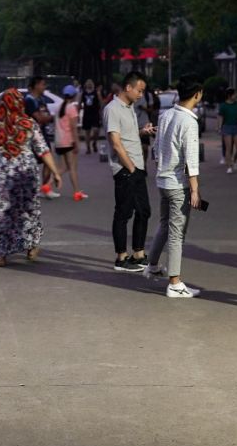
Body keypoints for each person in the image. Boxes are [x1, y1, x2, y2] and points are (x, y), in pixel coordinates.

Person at [0, 87, 63, 266]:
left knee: (0, 212)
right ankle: (31, 245)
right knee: (28, 209)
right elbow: (43, 150)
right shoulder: (29, 123)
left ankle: (1, 254)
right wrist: (55, 172)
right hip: (24, 173)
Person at [144, 74, 203, 298]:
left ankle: (152, 265)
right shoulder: (189, 121)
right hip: (178, 184)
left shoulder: (166, 114)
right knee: (177, 233)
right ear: (197, 94)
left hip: (163, 180)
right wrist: (195, 189)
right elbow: (191, 159)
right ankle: (175, 283)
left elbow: (157, 148)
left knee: (165, 224)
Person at [106, 70, 154, 272]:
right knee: (124, 213)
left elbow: (127, 135)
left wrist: (143, 131)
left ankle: (138, 254)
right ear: (128, 87)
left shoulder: (129, 107)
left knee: (144, 211)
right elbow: (116, 143)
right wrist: (132, 168)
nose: (141, 95)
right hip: (126, 169)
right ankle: (121, 257)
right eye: (139, 90)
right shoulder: (113, 109)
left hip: (137, 167)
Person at [24, 76, 58, 198]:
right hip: (32, 136)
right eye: (43, 84)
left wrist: (47, 117)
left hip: (42, 134)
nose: (44, 87)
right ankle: (32, 189)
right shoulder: (29, 100)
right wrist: (53, 117)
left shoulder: (41, 99)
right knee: (32, 163)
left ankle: (44, 188)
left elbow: (45, 115)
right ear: (36, 85)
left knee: (47, 160)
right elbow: (40, 118)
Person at [54, 84, 87, 201]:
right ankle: (77, 192)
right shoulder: (71, 108)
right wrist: (77, 143)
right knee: (72, 168)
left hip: (59, 141)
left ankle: (46, 186)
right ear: (73, 96)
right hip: (68, 142)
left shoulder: (58, 107)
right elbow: (74, 128)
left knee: (63, 167)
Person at [217, 88, 237, 173]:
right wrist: (220, 127)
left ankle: (234, 160)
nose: (236, 96)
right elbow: (220, 117)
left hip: (236, 127)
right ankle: (229, 166)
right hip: (227, 127)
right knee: (229, 148)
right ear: (229, 95)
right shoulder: (223, 106)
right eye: (234, 94)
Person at [81, 78, 104, 154]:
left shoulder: (96, 92)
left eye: (91, 83)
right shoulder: (83, 93)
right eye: (88, 83)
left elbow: (101, 103)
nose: (89, 84)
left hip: (95, 113)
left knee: (96, 130)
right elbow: (79, 103)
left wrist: (101, 111)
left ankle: (94, 142)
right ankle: (88, 148)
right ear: (86, 85)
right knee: (87, 132)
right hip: (86, 114)